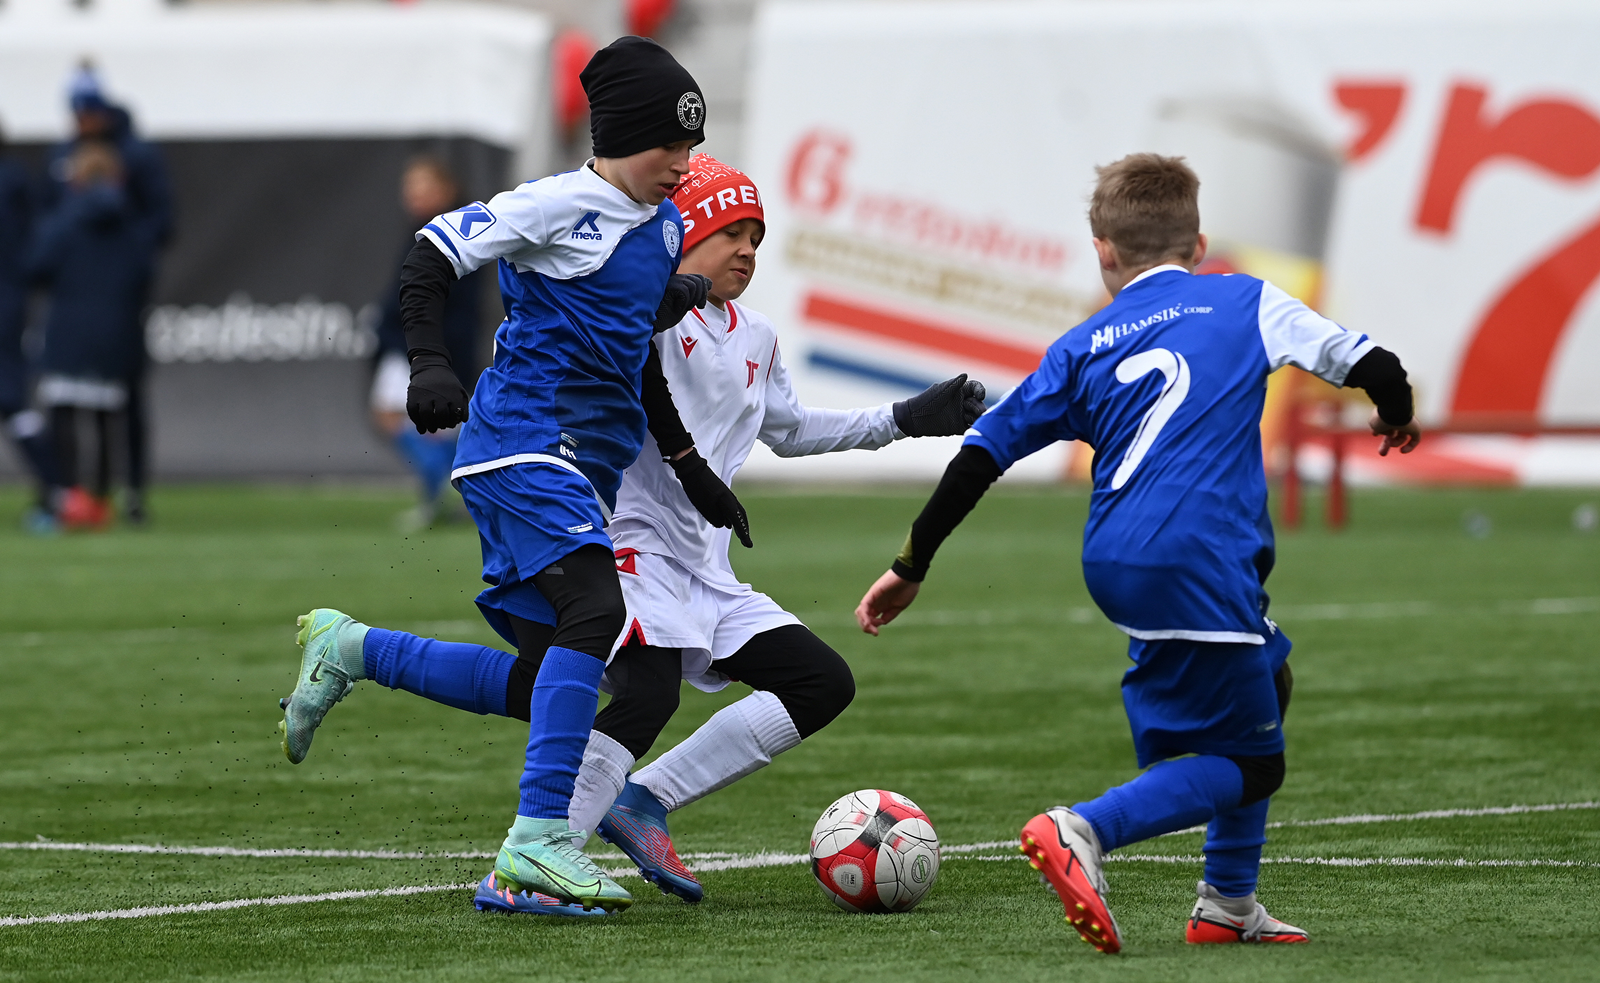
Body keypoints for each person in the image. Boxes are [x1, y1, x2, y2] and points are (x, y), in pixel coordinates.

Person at [854, 154, 1422, 953]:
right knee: (1253, 764)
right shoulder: (1245, 299)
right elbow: (1375, 366)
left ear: (1104, 251)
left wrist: (910, 565)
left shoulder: (1082, 344)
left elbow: (980, 454)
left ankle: (1227, 905)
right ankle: (1083, 828)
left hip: (1116, 556)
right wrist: (1394, 411)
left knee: (1271, 674)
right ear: (1200, 243)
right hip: (1197, 556)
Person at [278, 36, 745, 915]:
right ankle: (536, 842)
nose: (684, 163)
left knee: (553, 681)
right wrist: (428, 361)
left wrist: (689, 467)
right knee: (597, 612)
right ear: (619, 134)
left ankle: (351, 648)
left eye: (692, 145)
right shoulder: (557, 202)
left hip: (580, 466)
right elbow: (431, 253)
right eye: (669, 144)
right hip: (524, 443)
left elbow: (635, 338)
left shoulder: (666, 225)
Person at [42, 66, 171, 525]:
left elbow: (162, 221)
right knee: (89, 408)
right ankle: (84, 497)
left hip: (112, 303)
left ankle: (123, 492)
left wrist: (119, 256)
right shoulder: (63, 154)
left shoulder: (137, 155)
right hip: (88, 300)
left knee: (118, 405)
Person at [28, 140, 151, 529]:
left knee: (63, 416)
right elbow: (143, 274)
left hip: (68, 327)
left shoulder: (63, 222)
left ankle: (68, 496)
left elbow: (37, 267)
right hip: (115, 330)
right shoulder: (131, 225)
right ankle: (100, 500)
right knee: (104, 420)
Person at [370, 155, 488, 531]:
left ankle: (448, 487)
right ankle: (448, 489)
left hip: (432, 345)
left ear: (446, 189)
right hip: (411, 341)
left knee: (426, 420)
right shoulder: (418, 232)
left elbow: (455, 302)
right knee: (401, 416)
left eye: (424, 188)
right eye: (410, 189)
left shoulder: (457, 232)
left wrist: (434, 347)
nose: (414, 196)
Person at [0, 123, 62, 533]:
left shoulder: (13, 181)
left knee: (12, 401)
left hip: (6, 303)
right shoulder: (18, 180)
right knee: (13, 402)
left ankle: (58, 490)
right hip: (11, 301)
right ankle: (57, 489)